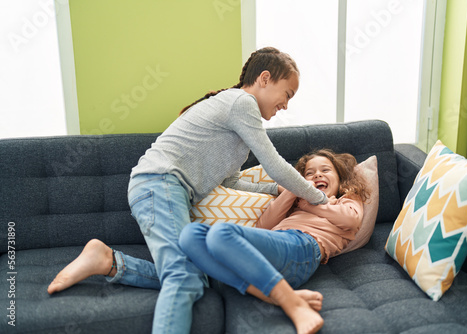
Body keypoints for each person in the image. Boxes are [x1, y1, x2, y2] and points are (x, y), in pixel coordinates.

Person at [47, 47, 328, 334]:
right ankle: (104, 259)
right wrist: (319, 198)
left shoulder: (237, 130)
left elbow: (229, 183)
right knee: (182, 277)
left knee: (196, 277)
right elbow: (274, 163)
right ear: (265, 78)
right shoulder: (241, 103)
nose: (287, 104)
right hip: (159, 184)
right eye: (288, 94)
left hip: (163, 189)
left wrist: (275, 190)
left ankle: (108, 261)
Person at [178, 149, 370, 334]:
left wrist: (311, 204)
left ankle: (293, 306)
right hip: (268, 253)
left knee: (220, 233)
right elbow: (263, 226)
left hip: (304, 247)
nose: (317, 175)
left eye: (325, 170)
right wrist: (295, 190)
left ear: (339, 177)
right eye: (309, 174)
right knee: (190, 236)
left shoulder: (345, 198)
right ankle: (280, 297)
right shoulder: (296, 204)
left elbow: (350, 220)